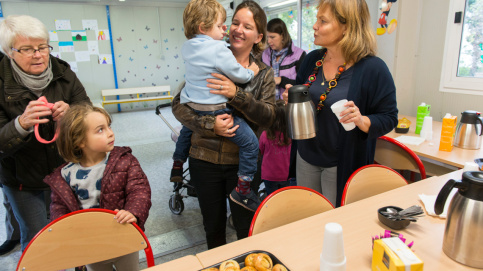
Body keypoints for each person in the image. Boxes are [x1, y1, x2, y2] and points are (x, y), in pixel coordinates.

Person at [172, 0, 276, 249]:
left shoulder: (264, 73)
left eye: (247, 26)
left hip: (242, 164)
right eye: (235, 22)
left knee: (245, 228)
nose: (238, 29)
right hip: (204, 158)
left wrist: (235, 94)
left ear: (258, 36)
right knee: (213, 228)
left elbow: (269, 117)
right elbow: (178, 105)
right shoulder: (207, 54)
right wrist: (210, 125)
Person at [282, 0, 398, 207]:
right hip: (306, 156)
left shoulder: (373, 69)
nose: (314, 26)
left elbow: (389, 118)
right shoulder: (312, 60)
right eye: (317, 19)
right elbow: (302, 96)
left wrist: (362, 120)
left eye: (323, 21)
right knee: (308, 218)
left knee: (335, 223)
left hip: (341, 162)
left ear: (347, 27)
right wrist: (289, 99)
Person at [0, 15, 91, 251]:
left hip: (65, 172)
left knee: (69, 229)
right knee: (37, 240)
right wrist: (20, 124)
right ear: (9, 51)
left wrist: (72, 114)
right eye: (27, 49)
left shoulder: (63, 73)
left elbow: (89, 114)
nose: (38, 54)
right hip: (22, 181)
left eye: (42, 47)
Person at [44, 104, 152, 271]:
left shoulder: (125, 161)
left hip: (123, 238)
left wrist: (133, 212)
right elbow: (59, 211)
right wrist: (69, 245)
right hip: (90, 246)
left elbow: (139, 191)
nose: (110, 133)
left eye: (109, 126)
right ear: (79, 141)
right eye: (100, 130)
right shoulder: (65, 175)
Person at [261, 18, 306, 100]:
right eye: (267, 37)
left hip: (289, 105)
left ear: (282, 35)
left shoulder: (299, 55)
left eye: (272, 37)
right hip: (268, 105)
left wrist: (281, 80)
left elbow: (303, 85)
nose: (269, 41)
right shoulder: (264, 55)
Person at [259, 100, 294, 196]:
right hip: (287, 175)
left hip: (269, 175)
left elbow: (261, 151)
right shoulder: (292, 134)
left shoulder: (265, 134)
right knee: (285, 199)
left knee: (272, 199)